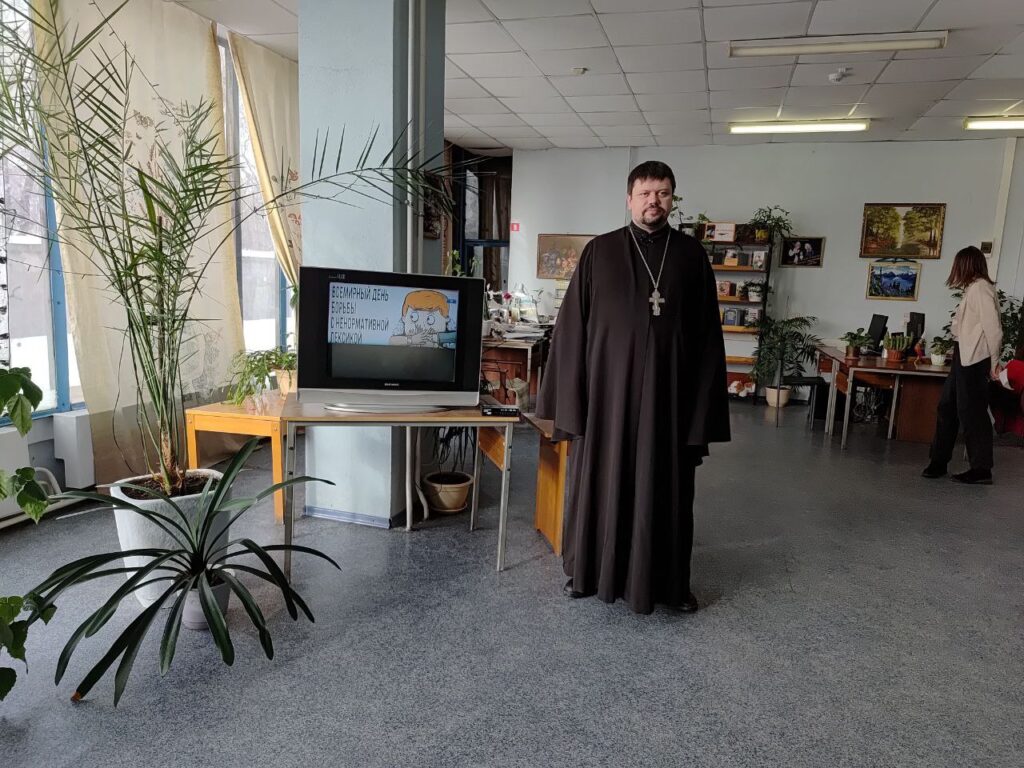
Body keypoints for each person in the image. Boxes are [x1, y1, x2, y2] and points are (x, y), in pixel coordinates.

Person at [536, 160, 730, 615]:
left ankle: (671, 585)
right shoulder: (599, 252)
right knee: (601, 484)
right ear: (629, 199)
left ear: (672, 199)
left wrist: (700, 413)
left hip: (670, 401)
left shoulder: (691, 256)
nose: (653, 201)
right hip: (608, 401)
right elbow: (571, 330)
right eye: (644, 193)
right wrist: (573, 401)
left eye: (662, 193)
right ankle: (587, 573)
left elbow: (707, 338)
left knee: (668, 490)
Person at [923, 246, 1002, 484]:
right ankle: (938, 461)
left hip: (974, 359)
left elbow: (994, 329)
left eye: (958, 265)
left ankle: (981, 469)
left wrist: (995, 362)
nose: (955, 270)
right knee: (947, 408)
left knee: (972, 412)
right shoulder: (974, 288)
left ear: (966, 265)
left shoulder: (981, 289)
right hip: (964, 356)